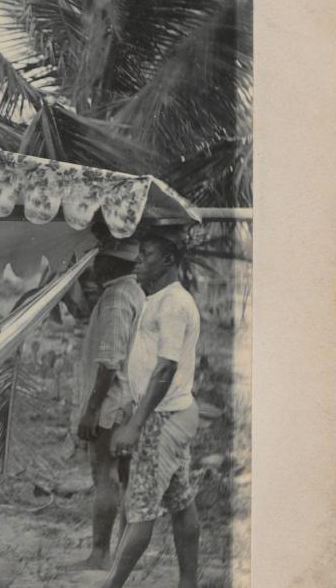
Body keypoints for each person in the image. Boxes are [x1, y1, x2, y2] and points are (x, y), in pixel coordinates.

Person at [102, 229, 202, 588]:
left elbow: (166, 368)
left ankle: (111, 585)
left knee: (140, 509)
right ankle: (188, 583)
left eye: (145, 255)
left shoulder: (173, 304)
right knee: (180, 501)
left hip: (163, 418)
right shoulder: (157, 299)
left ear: (168, 261)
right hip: (170, 413)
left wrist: (135, 425)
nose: (137, 261)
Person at [68, 240, 146, 572]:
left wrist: (91, 409)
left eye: (98, 262)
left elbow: (109, 362)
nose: (94, 269)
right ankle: (121, 553)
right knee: (122, 477)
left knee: (105, 475)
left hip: (112, 403)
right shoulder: (133, 292)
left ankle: (101, 554)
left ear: (110, 264)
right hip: (128, 398)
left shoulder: (116, 299)